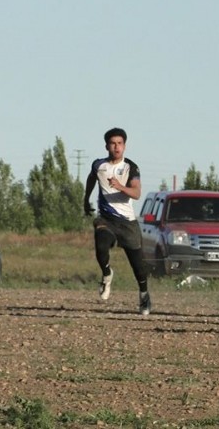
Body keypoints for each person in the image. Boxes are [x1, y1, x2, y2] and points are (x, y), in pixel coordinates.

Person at [83, 128, 151, 315]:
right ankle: (106, 275)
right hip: (106, 218)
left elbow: (136, 193)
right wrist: (85, 199)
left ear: (125, 146)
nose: (116, 147)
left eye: (120, 143)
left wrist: (121, 186)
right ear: (107, 146)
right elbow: (91, 179)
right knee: (101, 244)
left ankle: (144, 295)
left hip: (127, 222)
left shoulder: (131, 167)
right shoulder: (99, 165)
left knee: (138, 266)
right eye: (113, 143)